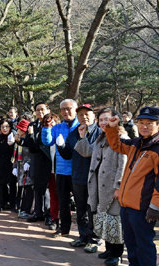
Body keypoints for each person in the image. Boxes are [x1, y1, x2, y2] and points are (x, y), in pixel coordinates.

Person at [106, 106, 159, 266]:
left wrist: (155, 207)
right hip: (126, 205)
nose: (144, 126)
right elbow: (116, 144)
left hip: (143, 208)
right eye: (141, 122)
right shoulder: (136, 143)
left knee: (144, 243)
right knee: (130, 241)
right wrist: (112, 127)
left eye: (149, 123)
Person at [74, 108, 128, 266]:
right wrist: (82, 136)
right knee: (105, 219)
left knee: (115, 221)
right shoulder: (100, 137)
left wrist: (118, 186)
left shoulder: (121, 137)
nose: (104, 122)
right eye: (101, 120)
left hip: (113, 187)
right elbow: (87, 152)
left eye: (107, 119)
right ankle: (109, 249)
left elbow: (123, 165)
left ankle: (117, 254)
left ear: (116, 120)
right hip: (99, 185)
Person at [57, 104, 102, 251]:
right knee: (81, 209)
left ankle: (94, 239)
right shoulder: (74, 133)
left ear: (93, 116)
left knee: (93, 209)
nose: (84, 117)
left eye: (87, 114)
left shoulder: (100, 133)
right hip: (77, 176)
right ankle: (83, 236)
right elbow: (68, 154)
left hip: (94, 178)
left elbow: (94, 153)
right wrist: (61, 146)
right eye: (80, 115)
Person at [41, 99, 80, 237]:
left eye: (68, 108)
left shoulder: (81, 126)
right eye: (63, 109)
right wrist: (46, 128)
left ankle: (84, 233)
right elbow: (47, 141)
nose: (65, 111)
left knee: (81, 204)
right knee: (63, 202)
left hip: (78, 171)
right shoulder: (58, 127)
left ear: (76, 109)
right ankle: (64, 229)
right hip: (61, 171)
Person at [22, 103, 53, 226]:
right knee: (37, 187)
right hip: (35, 159)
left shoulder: (51, 123)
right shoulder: (32, 125)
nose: (40, 112)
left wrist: (34, 138)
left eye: (42, 109)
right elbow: (30, 145)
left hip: (47, 159)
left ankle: (48, 214)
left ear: (47, 110)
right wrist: (30, 135)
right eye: (37, 110)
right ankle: (37, 212)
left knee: (47, 188)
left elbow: (44, 143)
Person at [0, 119, 15, 212]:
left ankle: (13, 203)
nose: (5, 129)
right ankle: (2, 203)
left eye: (7, 126)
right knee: (1, 184)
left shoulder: (13, 136)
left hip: (11, 164)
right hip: (0, 164)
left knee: (12, 184)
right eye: (3, 127)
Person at [14, 118, 35, 218]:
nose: (18, 131)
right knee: (21, 188)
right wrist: (14, 167)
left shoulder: (29, 140)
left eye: (20, 129)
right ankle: (20, 208)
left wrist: (29, 163)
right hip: (20, 168)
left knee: (28, 190)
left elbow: (32, 153)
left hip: (28, 169)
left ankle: (27, 209)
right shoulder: (18, 141)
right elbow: (14, 155)